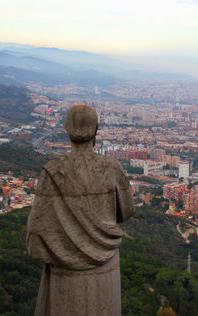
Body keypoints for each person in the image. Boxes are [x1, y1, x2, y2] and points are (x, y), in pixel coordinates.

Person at [27, 105, 134, 315]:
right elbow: (126, 212)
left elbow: (36, 228)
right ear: (96, 131)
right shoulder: (111, 168)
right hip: (105, 269)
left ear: (67, 129)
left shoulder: (53, 171)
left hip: (64, 271)